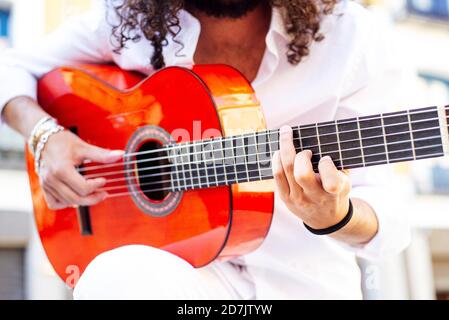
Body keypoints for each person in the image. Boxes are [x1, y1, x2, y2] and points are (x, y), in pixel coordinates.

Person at [0, 0, 410, 299]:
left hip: (303, 284)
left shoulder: (351, 36)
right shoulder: (127, 19)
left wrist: (336, 216)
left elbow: (391, 221)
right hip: (175, 281)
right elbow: (10, 68)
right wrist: (44, 135)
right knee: (111, 276)